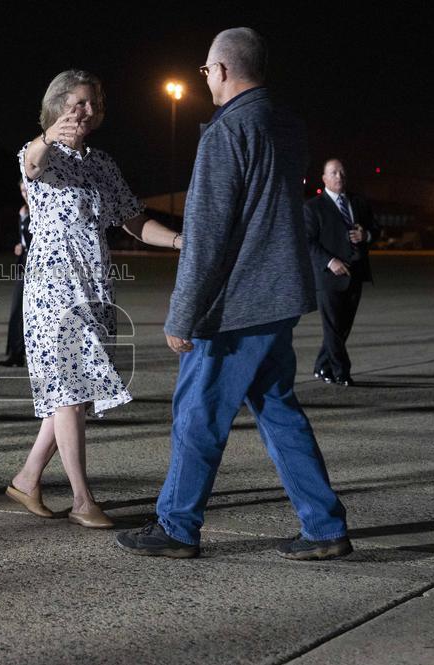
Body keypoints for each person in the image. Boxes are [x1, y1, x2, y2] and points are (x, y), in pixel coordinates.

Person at [115, 28, 352, 560]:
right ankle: (324, 526)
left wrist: (183, 315)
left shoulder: (227, 132)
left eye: (205, 70)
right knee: (277, 410)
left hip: (236, 303)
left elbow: (208, 233)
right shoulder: (285, 124)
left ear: (221, 70)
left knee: (197, 413)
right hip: (279, 296)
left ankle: (176, 526)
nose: (205, 80)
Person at [7, 70, 181, 529]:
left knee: (75, 394)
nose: (85, 111)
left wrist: (181, 240)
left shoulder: (103, 163)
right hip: (52, 286)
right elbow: (31, 165)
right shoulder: (37, 150)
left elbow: (134, 220)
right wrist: (48, 135)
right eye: (77, 103)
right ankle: (83, 500)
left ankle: (27, 479)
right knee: (70, 392)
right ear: (59, 104)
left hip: (95, 285)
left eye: (91, 104)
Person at [304, 159, 377, 387]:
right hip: (329, 277)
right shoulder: (313, 207)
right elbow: (307, 241)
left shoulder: (358, 202)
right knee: (333, 327)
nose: (339, 176)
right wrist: (330, 261)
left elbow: (376, 228)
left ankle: (322, 366)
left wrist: (366, 236)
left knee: (342, 327)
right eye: (333, 173)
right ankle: (340, 372)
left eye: (342, 172)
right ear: (324, 178)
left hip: (355, 273)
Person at [0, 181, 32, 368]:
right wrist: (20, 247)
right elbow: (23, 238)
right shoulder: (23, 211)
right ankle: (16, 354)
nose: (25, 193)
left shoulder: (41, 210)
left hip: (40, 268)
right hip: (25, 265)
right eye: (22, 190)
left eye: (27, 189)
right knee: (16, 310)